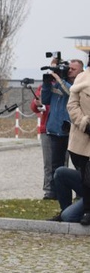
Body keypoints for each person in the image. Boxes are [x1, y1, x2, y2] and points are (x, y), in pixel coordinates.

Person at [41, 58, 83, 197]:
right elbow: (45, 100)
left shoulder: (80, 85)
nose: (69, 71)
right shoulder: (58, 84)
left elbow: (70, 92)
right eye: (69, 68)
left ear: (81, 71)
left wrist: (59, 79)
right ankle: (55, 192)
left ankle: (82, 193)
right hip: (56, 130)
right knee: (56, 165)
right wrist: (47, 83)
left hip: (74, 131)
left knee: (79, 165)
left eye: (73, 69)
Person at [66, 67, 90, 225]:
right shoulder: (82, 78)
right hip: (81, 139)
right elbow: (72, 105)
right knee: (85, 178)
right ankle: (83, 210)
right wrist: (84, 123)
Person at [30, 85, 54, 200]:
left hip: (62, 129)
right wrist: (37, 103)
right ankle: (49, 190)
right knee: (48, 162)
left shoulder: (67, 84)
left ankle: (62, 189)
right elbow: (34, 107)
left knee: (62, 161)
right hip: (46, 128)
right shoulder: (43, 86)